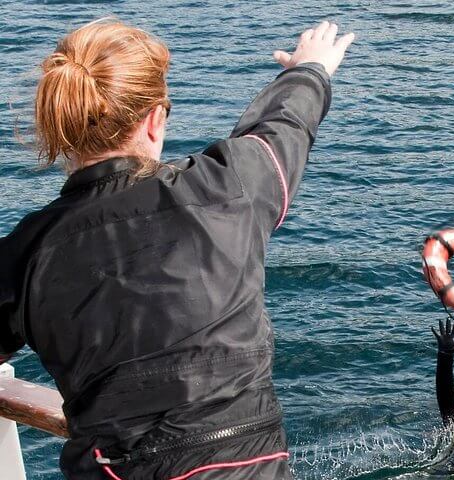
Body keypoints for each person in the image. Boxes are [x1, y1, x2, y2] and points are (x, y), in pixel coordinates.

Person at [0, 18, 353, 479]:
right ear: (155, 119)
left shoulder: (26, 253)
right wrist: (310, 68)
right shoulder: (230, 187)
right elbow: (284, 125)